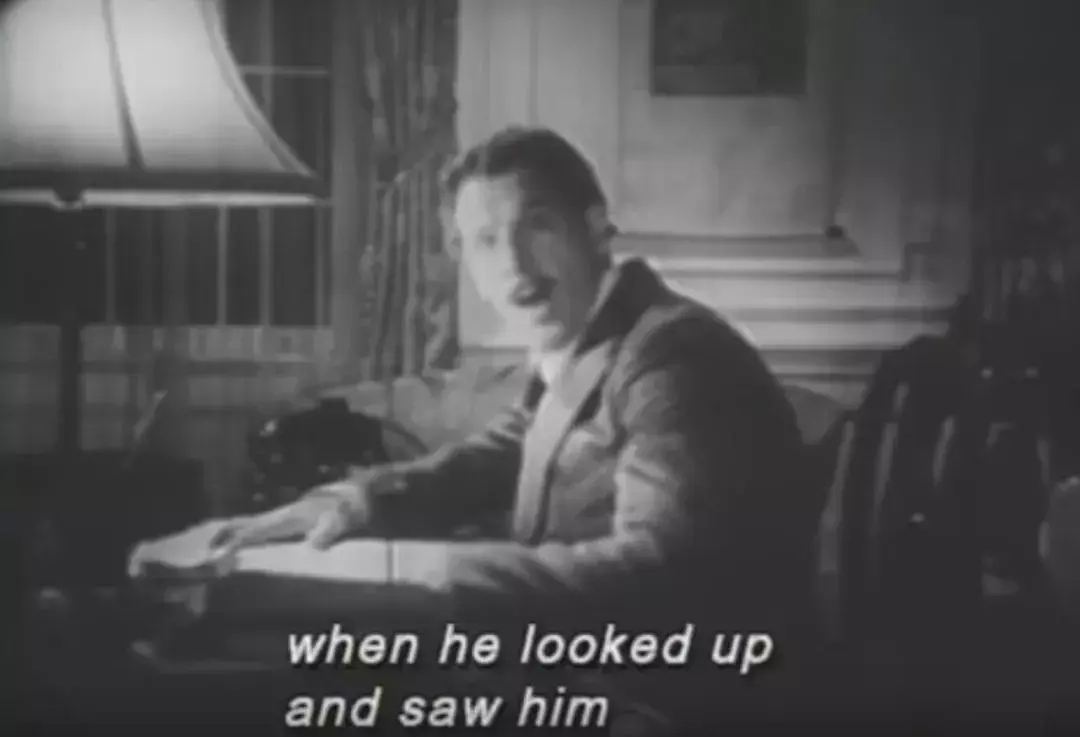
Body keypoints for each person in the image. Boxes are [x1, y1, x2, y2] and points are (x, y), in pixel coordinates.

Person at [150, 127, 824, 725]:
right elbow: (496, 453)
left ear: (596, 228)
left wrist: (414, 573)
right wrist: (342, 505)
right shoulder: (583, 340)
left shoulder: (671, 353)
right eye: (486, 240)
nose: (514, 263)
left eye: (537, 225)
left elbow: (659, 572)